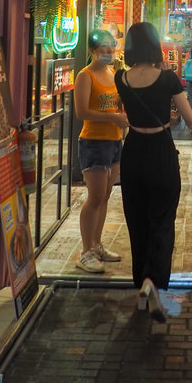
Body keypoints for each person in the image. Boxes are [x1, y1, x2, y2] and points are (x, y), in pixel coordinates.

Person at [115, 22, 192, 321]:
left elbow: (123, 111)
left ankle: (142, 283)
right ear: (155, 45)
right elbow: (188, 115)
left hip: (132, 152)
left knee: (137, 221)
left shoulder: (121, 78)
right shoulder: (167, 78)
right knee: (162, 221)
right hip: (160, 151)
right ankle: (153, 283)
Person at [74, 29, 129, 273]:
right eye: (103, 48)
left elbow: (119, 107)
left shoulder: (113, 73)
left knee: (105, 196)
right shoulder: (85, 76)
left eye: (111, 47)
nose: (108, 52)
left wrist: (122, 117)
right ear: (93, 51)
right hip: (93, 142)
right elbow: (82, 112)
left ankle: (96, 244)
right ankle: (85, 252)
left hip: (114, 141)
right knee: (94, 197)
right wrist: (114, 117)